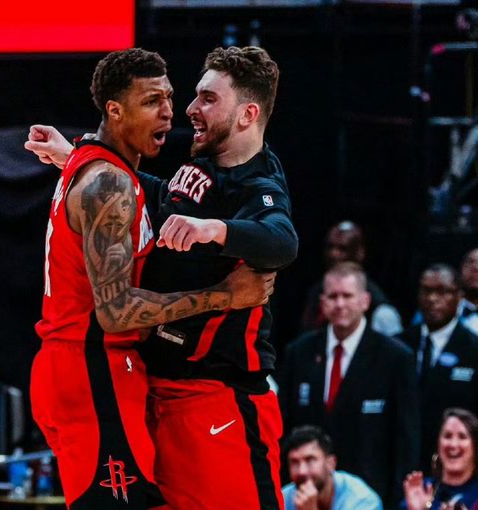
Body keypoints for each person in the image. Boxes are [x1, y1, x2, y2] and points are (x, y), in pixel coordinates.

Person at [26, 46, 297, 509]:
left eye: (207, 99)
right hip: (133, 380)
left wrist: (216, 230)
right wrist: (81, 157)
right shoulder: (173, 171)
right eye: (184, 96)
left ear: (247, 115)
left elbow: (282, 241)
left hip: (215, 393)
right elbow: (137, 197)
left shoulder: (257, 185)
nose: (186, 109)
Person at [278, 262, 419, 507]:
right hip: (306, 492)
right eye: (333, 296)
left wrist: (399, 500)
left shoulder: (396, 357)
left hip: (371, 496)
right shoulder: (299, 352)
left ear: (365, 301)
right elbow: (284, 426)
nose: (340, 304)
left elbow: (406, 438)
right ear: (323, 303)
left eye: (347, 296)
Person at [400, 264, 478, 473]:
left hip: (457, 467)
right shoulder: (398, 345)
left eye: (442, 292)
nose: (432, 299)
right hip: (404, 466)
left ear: (459, 296)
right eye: (426, 291)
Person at [300, 221, 402, 336]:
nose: (333, 254)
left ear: (360, 252)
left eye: (342, 249)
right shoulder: (316, 292)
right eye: (330, 247)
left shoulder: (380, 310)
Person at [403, 408, 478, 510]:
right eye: (447, 436)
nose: (453, 444)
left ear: (476, 447)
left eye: (462, 437)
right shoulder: (420, 490)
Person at [282, 425, 382, 510]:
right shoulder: (284, 499)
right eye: (294, 462)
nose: (301, 471)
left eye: (310, 460)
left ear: (331, 464)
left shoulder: (363, 501)